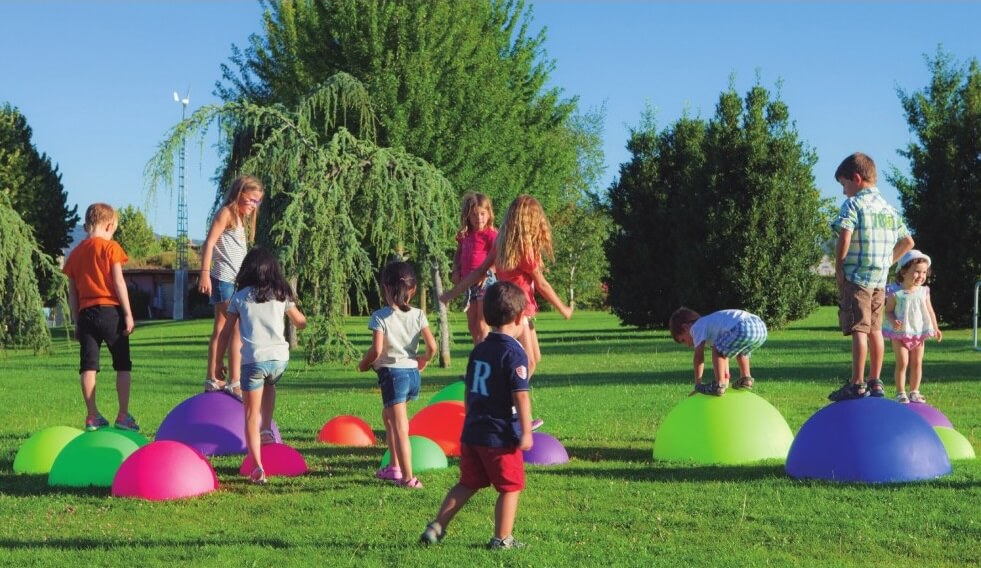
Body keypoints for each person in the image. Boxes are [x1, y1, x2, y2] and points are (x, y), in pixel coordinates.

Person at [420, 281, 533, 550]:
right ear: (520, 317)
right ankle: (502, 539)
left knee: (467, 483)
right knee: (511, 486)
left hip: (473, 431)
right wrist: (527, 432)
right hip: (499, 435)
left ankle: (436, 526)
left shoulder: (479, 349)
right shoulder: (514, 353)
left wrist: (470, 419)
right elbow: (521, 396)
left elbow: (469, 389)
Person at [441, 195, 572, 429]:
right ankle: (508, 411)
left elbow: (480, 271)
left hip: (513, 306)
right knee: (526, 361)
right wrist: (563, 308)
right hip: (517, 309)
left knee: (534, 359)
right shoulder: (523, 249)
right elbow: (541, 284)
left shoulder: (501, 242)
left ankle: (504, 406)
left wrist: (453, 292)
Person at [827, 153, 915, 401]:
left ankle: (857, 382)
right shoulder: (890, 209)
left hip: (857, 277)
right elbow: (908, 242)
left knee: (859, 328)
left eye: (844, 184)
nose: (844, 191)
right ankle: (875, 381)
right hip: (879, 281)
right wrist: (887, 261)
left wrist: (839, 267)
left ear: (856, 179)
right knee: (875, 329)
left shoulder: (853, 205)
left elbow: (844, 236)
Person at [215, 247, 306, 485]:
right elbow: (301, 322)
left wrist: (217, 363)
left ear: (248, 270)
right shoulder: (280, 294)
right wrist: (296, 315)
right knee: (270, 383)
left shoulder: (240, 297)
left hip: (254, 361)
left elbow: (225, 334)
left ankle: (256, 466)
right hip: (279, 361)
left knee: (250, 415)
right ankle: (266, 428)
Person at [358, 261, 437, 489]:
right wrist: (424, 359)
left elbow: (376, 351)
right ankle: (393, 467)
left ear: (385, 287)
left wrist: (363, 364)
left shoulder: (380, 317)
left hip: (394, 377)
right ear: (413, 289)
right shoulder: (418, 314)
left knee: (401, 428)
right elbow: (432, 346)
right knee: (388, 417)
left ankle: (408, 478)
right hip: (412, 375)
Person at [62, 203, 140, 432]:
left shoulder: (75, 254)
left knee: (88, 367)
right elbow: (118, 282)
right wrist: (128, 314)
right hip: (110, 313)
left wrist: (77, 321)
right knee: (123, 365)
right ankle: (123, 415)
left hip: (86, 315)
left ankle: (92, 416)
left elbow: (72, 293)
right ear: (109, 225)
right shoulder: (111, 248)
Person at [198, 175, 265, 399]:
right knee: (232, 327)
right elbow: (209, 243)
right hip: (223, 279)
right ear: (240, 193)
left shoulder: (240, 219)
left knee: (224, 327)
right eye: (252, 199)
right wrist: (204, 274)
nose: (254, 205)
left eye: (258, 202)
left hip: (236, 282)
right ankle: (231, 380)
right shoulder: (226, 213)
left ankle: (216, 377)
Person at [883, 250, 942, 404]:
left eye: (924, 272)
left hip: (919, 332)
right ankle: (900, 392)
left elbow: (930, 310)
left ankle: (914, 391)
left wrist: (935, 328)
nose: (921, 276)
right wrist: (893, 320)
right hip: (899, 333)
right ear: (903, 271)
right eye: (917, 272)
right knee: (902, 362)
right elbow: (888, 311)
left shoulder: (924, 291)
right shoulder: (895, 292)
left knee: (917, 363)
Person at [669, 307, 768, 396]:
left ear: (685, 327)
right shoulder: (711, 325)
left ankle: (718, 385)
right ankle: (746, 379)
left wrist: (698, 384)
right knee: (740, 351)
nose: (687, 345)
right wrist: (726, 380)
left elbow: (698, 357)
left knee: (717, 350)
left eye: (683, 340)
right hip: (760, 327)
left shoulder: (696, 327)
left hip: (743, 326)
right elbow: (724, 357)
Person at [451, 192, 497, 345]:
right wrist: (455, 270)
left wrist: (487, 273)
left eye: (482, 214)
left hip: (485, 282)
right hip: (468, 284)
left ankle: (485, 353)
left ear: (489, 213)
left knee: (483, 324)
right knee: (472, 326)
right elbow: (458, 254)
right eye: (474, 215)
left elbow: (498, 258)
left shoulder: (491, 235)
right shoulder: (464, 235)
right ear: (468, 216)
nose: (479, 218)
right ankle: (479, 351)